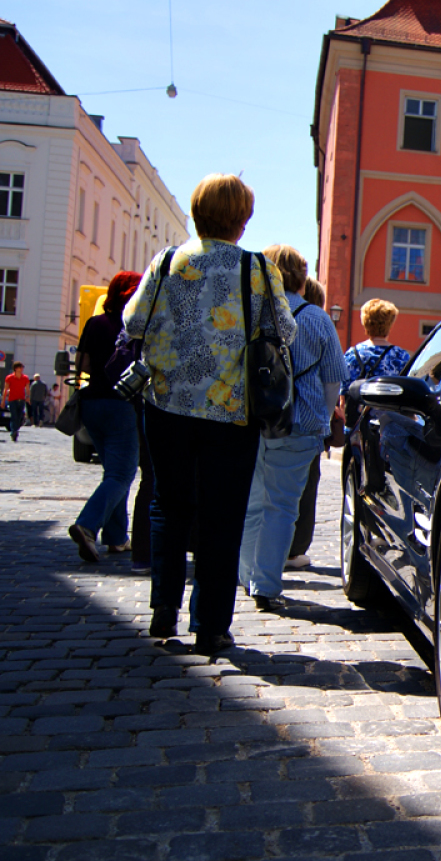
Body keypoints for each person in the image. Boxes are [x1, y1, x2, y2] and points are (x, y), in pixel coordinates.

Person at [123, 173, 296, 656]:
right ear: (242, 220)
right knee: (223, 517)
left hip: (167, 403)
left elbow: (133, 321)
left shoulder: (167, 260)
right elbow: (284, 330)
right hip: (230, 409)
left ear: (197, 213)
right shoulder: (258, 269)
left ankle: (163, 612)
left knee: (169, 506)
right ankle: (211, 626)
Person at [239, 245, 347, 611]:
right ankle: (266, 586)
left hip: (251, 422)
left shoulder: (250, 312)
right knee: (282, 507)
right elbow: (334, 378)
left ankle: (245, 575)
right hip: (300, 425)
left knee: (253, 502)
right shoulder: (317, 318)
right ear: (302, 276)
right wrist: (324, 413)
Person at [69, 272, 143, 564]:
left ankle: (116, 539)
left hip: (91, 403)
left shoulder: (95, 322)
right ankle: (87, 526)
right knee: (122, 473)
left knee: (113, 470)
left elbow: (83, 363)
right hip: (121, 404)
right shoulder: (135, 327)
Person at [286, 276, 330, 572]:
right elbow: (334, 376)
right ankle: (293, 550)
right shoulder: (317, 320)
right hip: (307, 417)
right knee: (304, 488)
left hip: (268, 414)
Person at [344, 298, 411, 381]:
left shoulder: (352, 354)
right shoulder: (401, 356)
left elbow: (343, 390)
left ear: (364, 323)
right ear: (390, 325)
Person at [3, 361, 30, 441]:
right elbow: (6, 389)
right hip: (12, 400)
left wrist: (28, 397)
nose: (22, 368)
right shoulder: (9, 378)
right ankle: (13, 432)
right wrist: (3, 401)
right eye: (21, 367)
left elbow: (27, 389)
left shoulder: (25, 378)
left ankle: (15, 430)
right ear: (16, 368)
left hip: (21, 400)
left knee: (19, 417)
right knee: (14, 416)